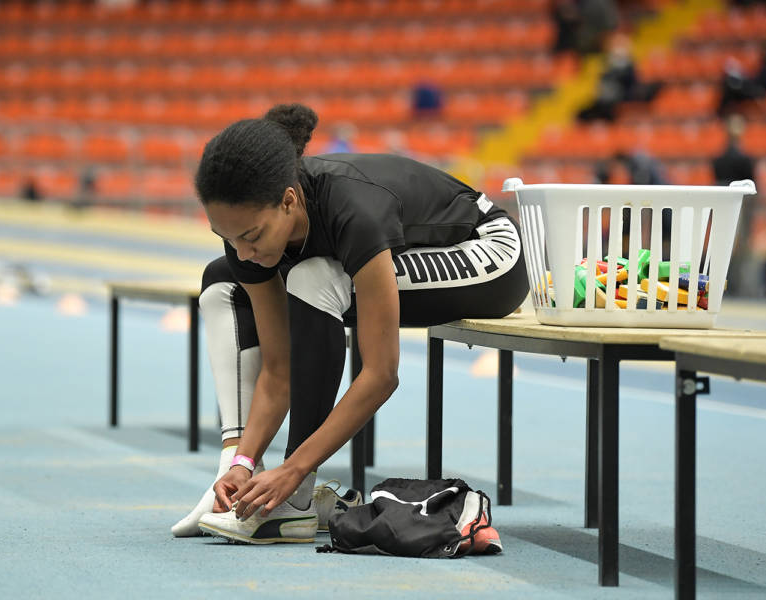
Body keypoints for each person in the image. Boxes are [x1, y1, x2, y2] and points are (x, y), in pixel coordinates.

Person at [170, 104, 529, 543]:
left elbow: (381, 374)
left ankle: (296, 500)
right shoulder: (247, 233)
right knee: (226, 278)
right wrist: (241, 463)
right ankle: (255, 483)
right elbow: (279, 371)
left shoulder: (354, 211)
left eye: (252, 236)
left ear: (288, 201)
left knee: (314, 278)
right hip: (405, 249)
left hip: (491, 252)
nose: (243, 253)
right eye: (227, 238)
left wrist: (294, 468)